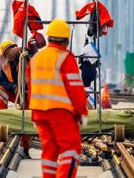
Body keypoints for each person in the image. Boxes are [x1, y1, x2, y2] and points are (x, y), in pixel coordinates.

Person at [28, 19, 88, 178]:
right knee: (71, 150)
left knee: (49, 152)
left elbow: (31, 88)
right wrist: (82, 112)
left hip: (39, 112)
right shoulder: (65, 58)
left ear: (48, 38)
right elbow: (75, 89)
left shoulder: (36, 59)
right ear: (66, 40)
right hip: (60, 112)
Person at [0, 40, 33, 158]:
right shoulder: (5, 66)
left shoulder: (25, 58)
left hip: (28, 94)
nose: (9, 54)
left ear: (15, 49)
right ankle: (1, 123)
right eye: (6, 53)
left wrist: (22, 49)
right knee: (1, 91)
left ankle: (26, 149)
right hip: (17, 93)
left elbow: (33, 52)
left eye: (10, 51)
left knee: (26, 119)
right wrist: (13, 87)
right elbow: (2, 80)